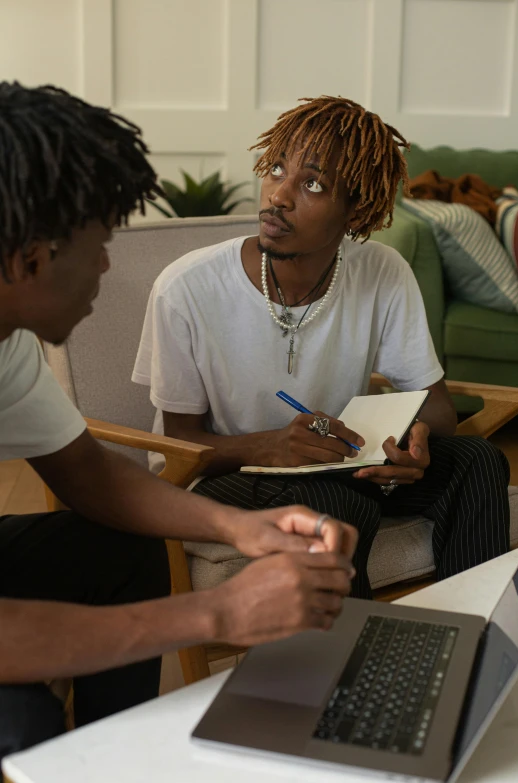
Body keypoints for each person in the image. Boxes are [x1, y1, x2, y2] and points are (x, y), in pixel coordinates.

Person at [0, 83, 358, 761]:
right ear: (32, 260)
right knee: (19, 720)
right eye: (100, 246)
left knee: (120, 547)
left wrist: (238, 526)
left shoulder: (8, 341)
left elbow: (89, 472)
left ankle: (123, 761)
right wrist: (218, 612)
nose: (108, 266)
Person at [133, 95, 510, 602]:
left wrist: (412, 441)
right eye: (275, 169)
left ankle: (469, 641)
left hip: (335, 464)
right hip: (226, 476)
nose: (278, 196)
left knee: (478, 460)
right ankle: (348, 670)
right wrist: (269, 446)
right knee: (336, 505)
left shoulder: (381, 272)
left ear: (356, 207)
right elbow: (179, 446)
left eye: (312, 183)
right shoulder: (187, 288)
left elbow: (436, 406)